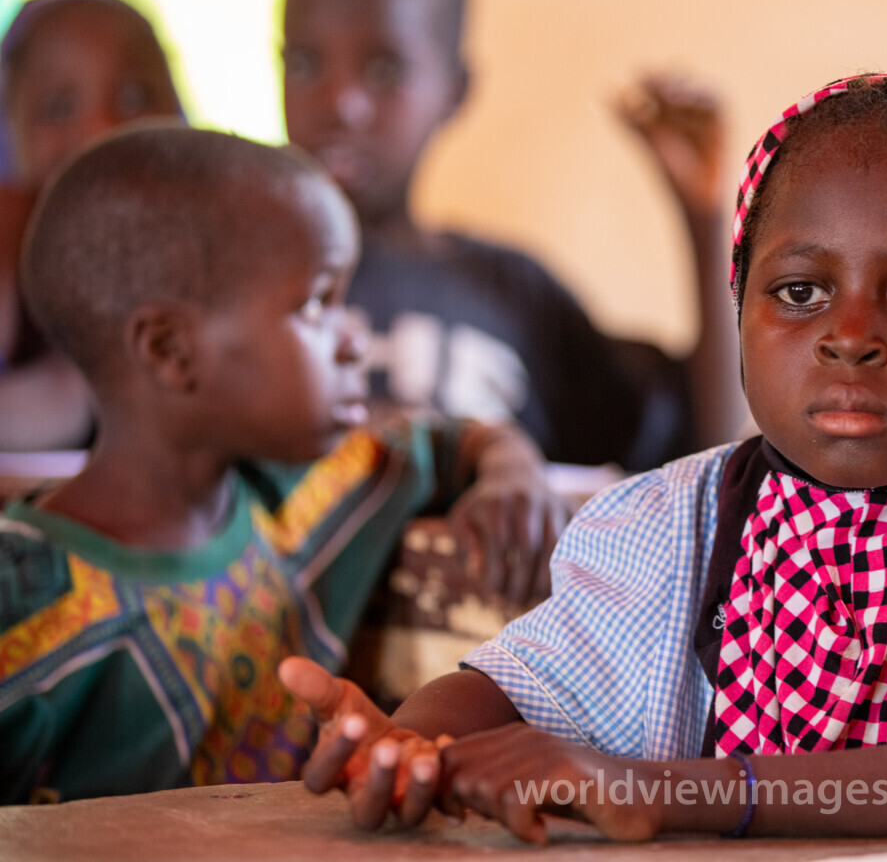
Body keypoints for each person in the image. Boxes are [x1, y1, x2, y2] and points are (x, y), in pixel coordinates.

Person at [280, 73, 887, 841]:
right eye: (798, 292)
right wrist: (414, 741)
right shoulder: (679, 518)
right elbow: (513, 685)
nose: (848, 339)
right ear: (742, 301)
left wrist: (671, 794)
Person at [0, 126, 554, 804]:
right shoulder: (23, 609)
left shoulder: (312, 495)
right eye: (318, 303)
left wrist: (512, 472)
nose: (355, 338)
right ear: (171, 350)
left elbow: (451, 439)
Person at [280, 0, 742, 480]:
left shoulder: (512, 292)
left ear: (455, 90)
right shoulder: (236, 278)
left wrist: (703, 220)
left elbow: (712, 463)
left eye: (384, 70)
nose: (342, 103)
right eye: (305, 63)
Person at [0, 0, 185, 451]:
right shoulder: (8, 243)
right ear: (9, 127)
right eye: (58, 108)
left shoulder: (206, 245)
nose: (100, 128)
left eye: (133, 96)